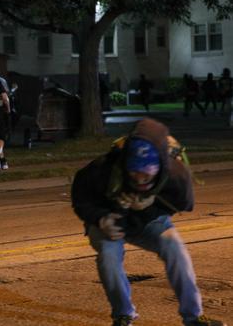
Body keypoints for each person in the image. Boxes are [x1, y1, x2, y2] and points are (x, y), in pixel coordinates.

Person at [71, 118, 226, 326]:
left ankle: (193, 317)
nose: (140, 178)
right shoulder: (103, 168)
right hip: (110, 220)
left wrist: (150, 205)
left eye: (147, 172)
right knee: (108, 258)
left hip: (149, 221)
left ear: (161, 165)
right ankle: (123, 315)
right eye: (134, 171)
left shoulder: (175, 173)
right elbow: (81, 198)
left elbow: (185, 203)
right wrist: (100, 218)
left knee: (175, 248)